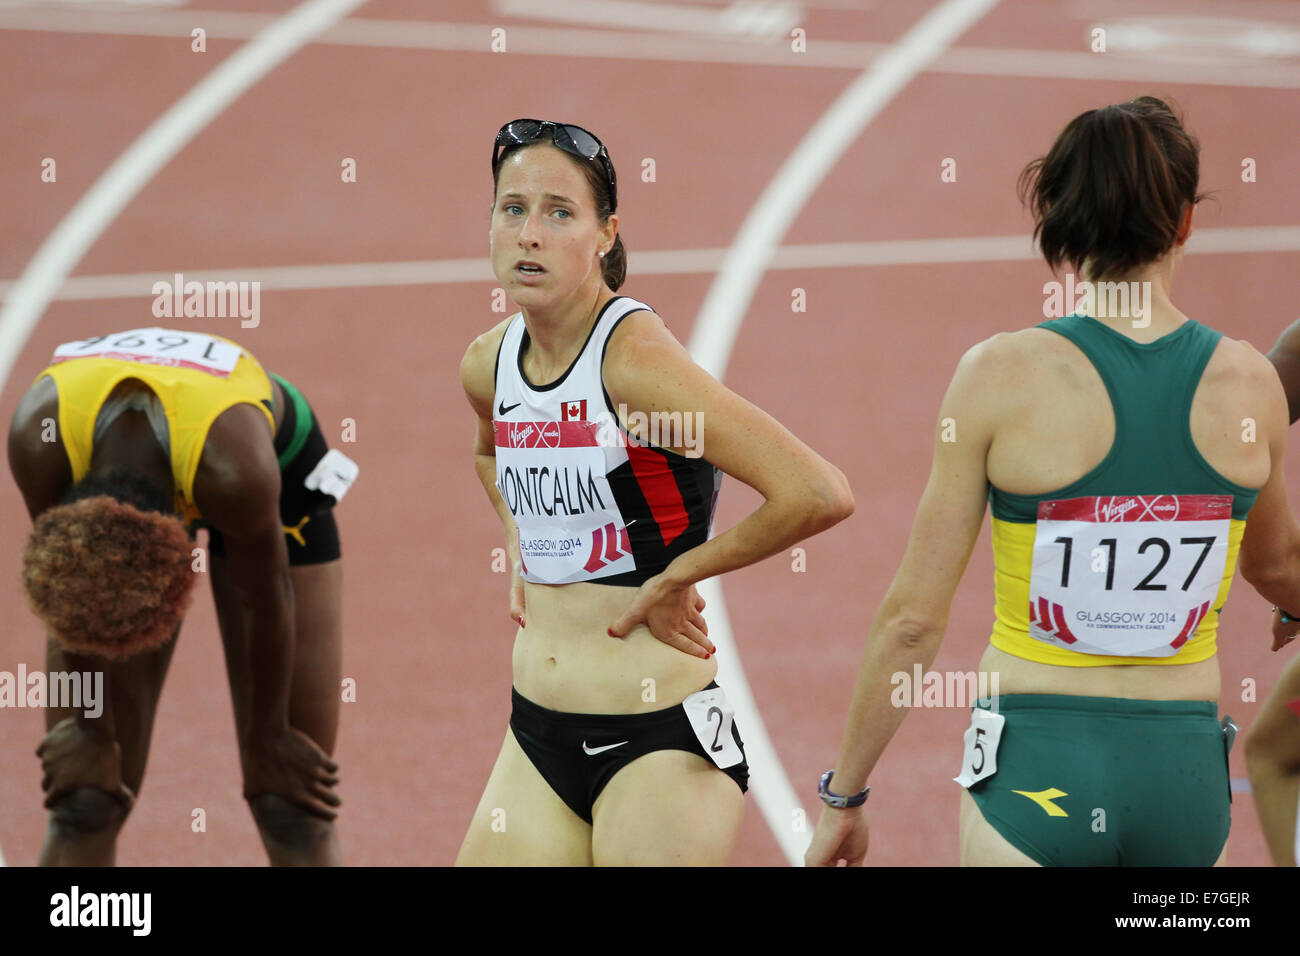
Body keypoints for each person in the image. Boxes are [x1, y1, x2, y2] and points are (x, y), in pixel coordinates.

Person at [805, 96, 1300, 867]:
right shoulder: (1250, 385)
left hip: (1040, 771)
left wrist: (846, 796)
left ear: (1059, 225)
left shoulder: (999, 376)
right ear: (1185, 222)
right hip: (1184, 780)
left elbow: (912, 621)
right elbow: (1278, 568)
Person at [456, 119, 853, 866]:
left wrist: (681, 572)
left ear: (606, 234)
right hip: (536, 738)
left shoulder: (633, 363)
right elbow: (489, 451)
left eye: (559, 213)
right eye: (512, 210)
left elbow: (817, 491)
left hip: (658, 745)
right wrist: (520, 538)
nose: (529, 234)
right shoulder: (488, 365)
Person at [7, 327, 357, 865]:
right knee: (85, 800)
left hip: (264, 465)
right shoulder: (40, 440)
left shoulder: (238, 472)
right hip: (142, 450)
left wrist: (268, 738)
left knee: (291, 807)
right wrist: (92, 730)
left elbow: (265, 597)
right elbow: (68, 598)